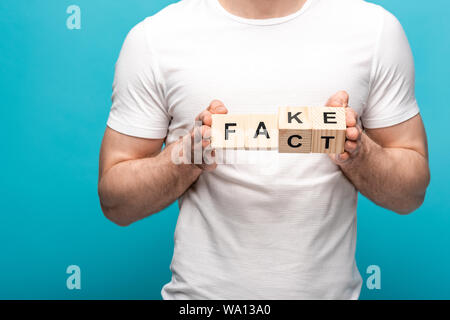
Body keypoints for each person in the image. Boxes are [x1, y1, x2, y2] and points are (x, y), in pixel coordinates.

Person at [98, 0, 430, 299]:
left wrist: (359, 153)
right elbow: (116, 203)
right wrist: (188, 156)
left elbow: (411, 193)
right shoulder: (155, 39)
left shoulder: (375, 30)